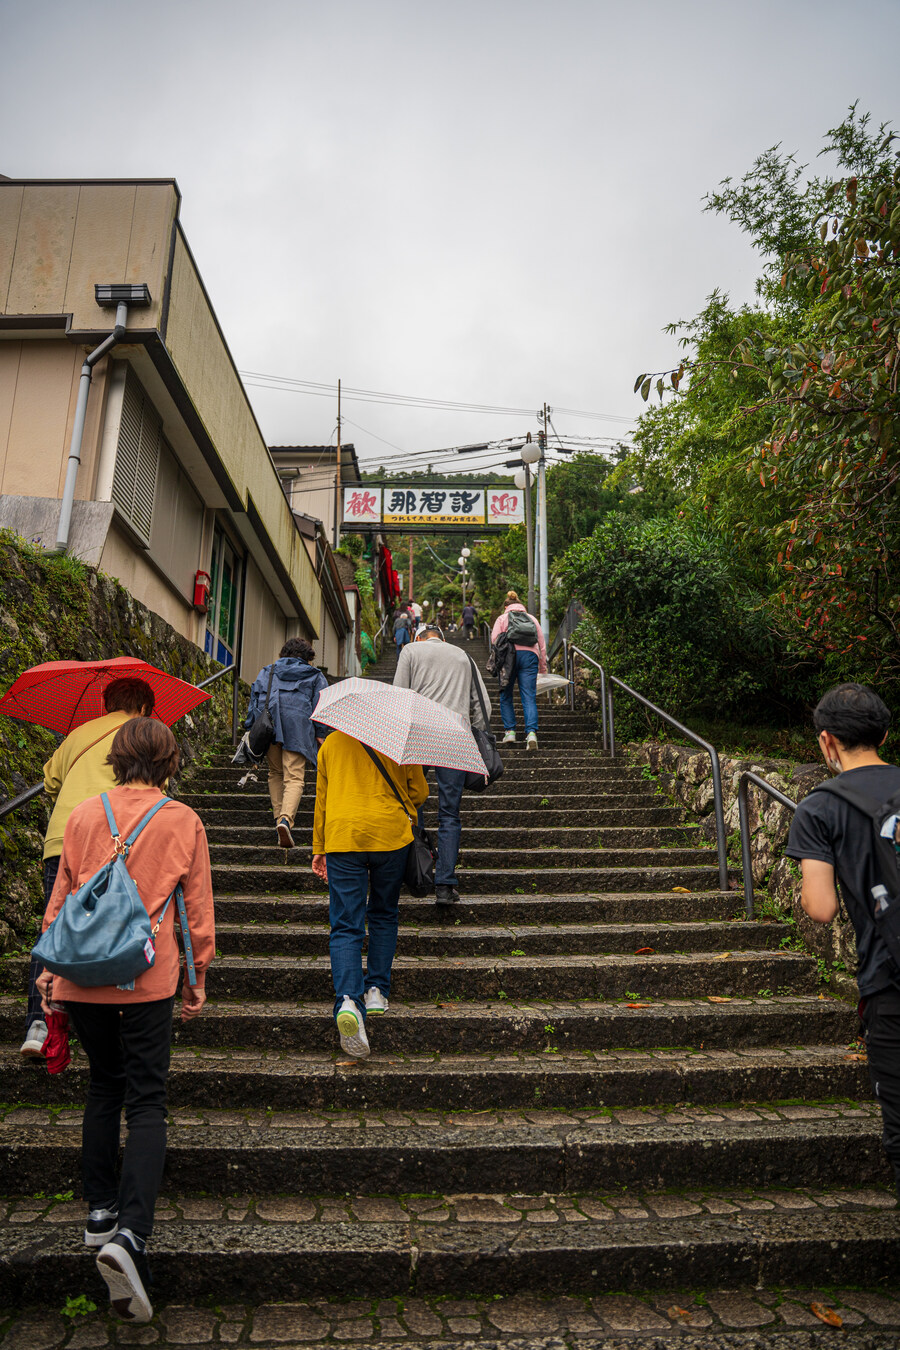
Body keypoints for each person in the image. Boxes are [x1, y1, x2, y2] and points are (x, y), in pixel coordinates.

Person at [36, 717, 215, 1324]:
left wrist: (47, 977)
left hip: (80, 978)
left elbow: (59, 899)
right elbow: (196, 913)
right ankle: (131, 1235)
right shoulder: (182, 819)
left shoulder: (85, 815)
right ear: (169, 761)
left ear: (116, 758)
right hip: (146, 979)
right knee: (146, 1100)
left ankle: (98, 1213)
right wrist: (197, 979)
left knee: (102, 1086)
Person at [785, 683, 900, 1196]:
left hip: (889, 980)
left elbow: (822, 907)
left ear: (827, 742)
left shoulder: (820, 807)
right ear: (885, 734)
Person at [21, 677, 155, 1060]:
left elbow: (51, 782)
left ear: (105, 702)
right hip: (113, 842)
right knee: (114, 928)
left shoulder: (79, 734)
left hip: (62, 838)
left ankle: (38, 1024)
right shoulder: (140, 735)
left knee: (56, 927)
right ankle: (107, 1021)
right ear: (144, 708)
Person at [311, 729, 427, 1058]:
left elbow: (322, 800)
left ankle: (348, 999)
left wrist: (318, 847)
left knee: (346, 924)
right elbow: (418, 792)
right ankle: (376, 990)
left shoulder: (330, 745)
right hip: (390, 835)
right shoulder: (400, 740)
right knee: (384, 912)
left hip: (342, 836)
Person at [394, 624, 491, 905]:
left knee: (413, 805)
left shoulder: (410, 651)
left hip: (419, 737)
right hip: (455, 737)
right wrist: (476, 734)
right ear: (443, 638)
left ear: (419, 637)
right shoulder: (463, 655)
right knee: (450, 814)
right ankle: (445, 886)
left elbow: (399, 695)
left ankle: (418, 874)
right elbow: (483, 703)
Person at [245, 638, 328, 849]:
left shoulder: (268, 671)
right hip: (298, 727)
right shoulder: (314, 675)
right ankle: (285, 821)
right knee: (294, 777)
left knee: (275, 773)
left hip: (269, 726)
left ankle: (278, 819)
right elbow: (322, 705)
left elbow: (255, 699)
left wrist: (251, 727)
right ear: (306, 657)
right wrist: (321, 733)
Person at [490, 590, 548, 752]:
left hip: (508, 657)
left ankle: (510, 732)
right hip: (530, 656)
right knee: (528, 696)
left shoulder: (502, 618)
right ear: (520, 605)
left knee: (506, 694)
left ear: (506, 607)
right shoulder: (531, 619)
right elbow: (541, 644)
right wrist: (542, 668)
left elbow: (494, 639)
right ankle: (531, 734)